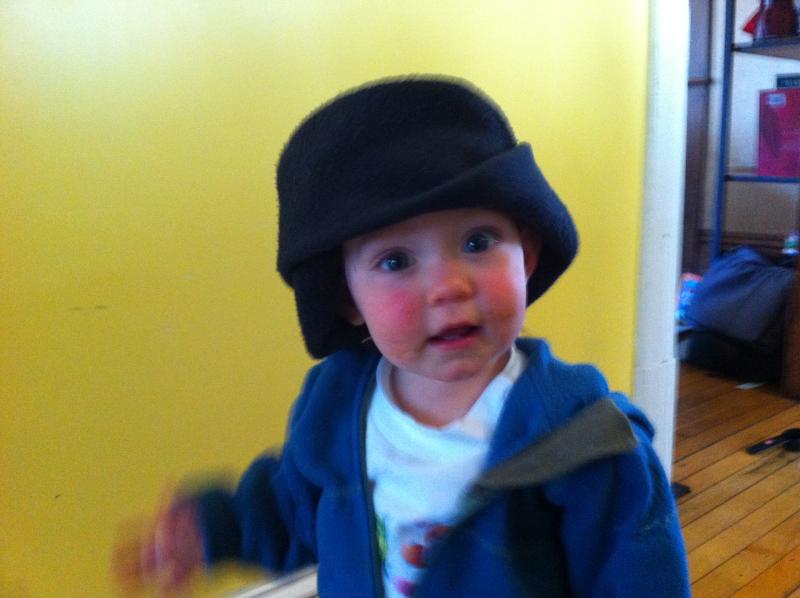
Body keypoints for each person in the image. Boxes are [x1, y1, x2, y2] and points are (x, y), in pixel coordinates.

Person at [113, 76, 690, 596]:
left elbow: (641, 578)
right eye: (395, 261)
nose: (449, 286)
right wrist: (215, 529)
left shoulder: (589, 440)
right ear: (346, 299)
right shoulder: (336, 407)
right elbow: (295, 509)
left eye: (478, 242)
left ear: (528, 254)